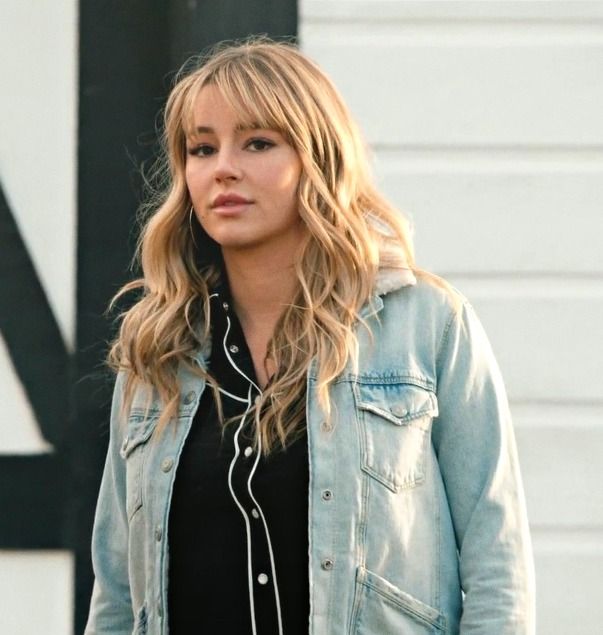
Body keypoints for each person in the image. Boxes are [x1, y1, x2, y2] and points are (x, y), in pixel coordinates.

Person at [85, 38, 535, 635]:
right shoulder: (157, 355)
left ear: (317, 158)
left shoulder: (425, 325)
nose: (223, 167)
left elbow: (497, 563)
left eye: (258, 142)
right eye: (201, 147)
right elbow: (117, 595)